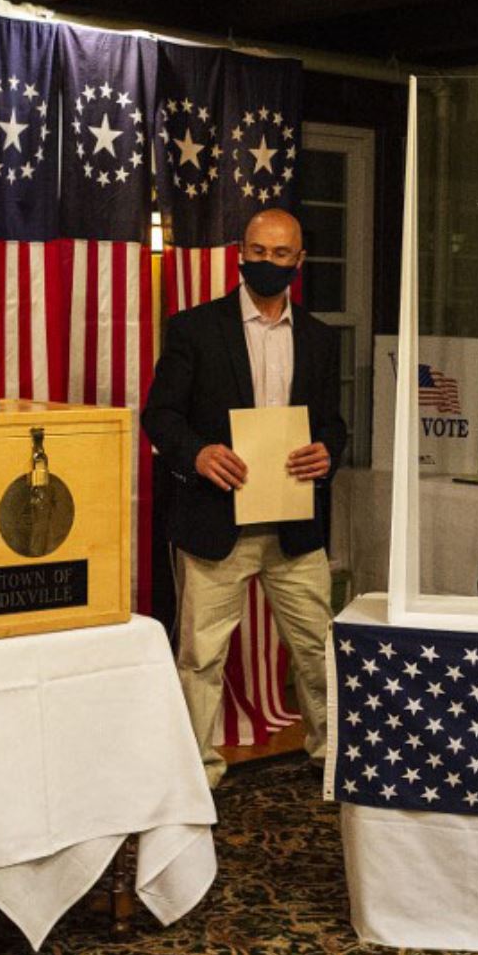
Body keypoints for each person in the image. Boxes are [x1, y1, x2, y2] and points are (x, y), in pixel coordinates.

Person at [143, 208, 347, 788]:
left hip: (294, 528)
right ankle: (195, 771)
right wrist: (199, 453)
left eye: (282, 254)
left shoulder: (319, 338)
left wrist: (328, 452)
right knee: (202, 657)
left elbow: (333, 424)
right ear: (240, 253)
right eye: (258, 251)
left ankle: (330, 754)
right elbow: (160, 415)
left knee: (316, 649)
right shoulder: (193, 329)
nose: (269, 263)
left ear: (299, 261)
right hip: (214, 524)